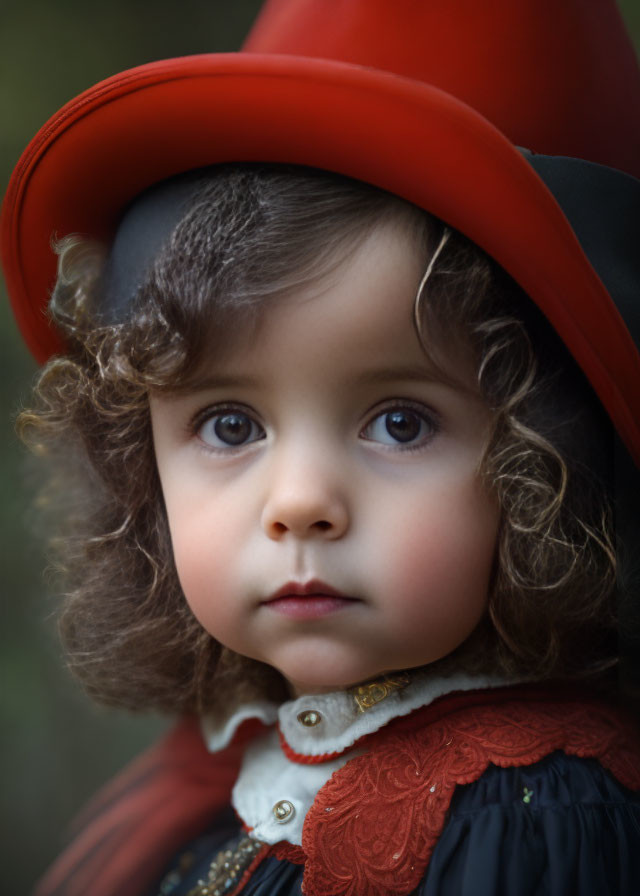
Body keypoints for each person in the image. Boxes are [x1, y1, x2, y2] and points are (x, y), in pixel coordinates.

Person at [2, 2, 640, 895]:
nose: (300, 500)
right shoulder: (255, 773)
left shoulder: (526, 812)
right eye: (230, 425)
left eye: (401, 422)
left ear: (551, 465)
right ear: (140, 467)